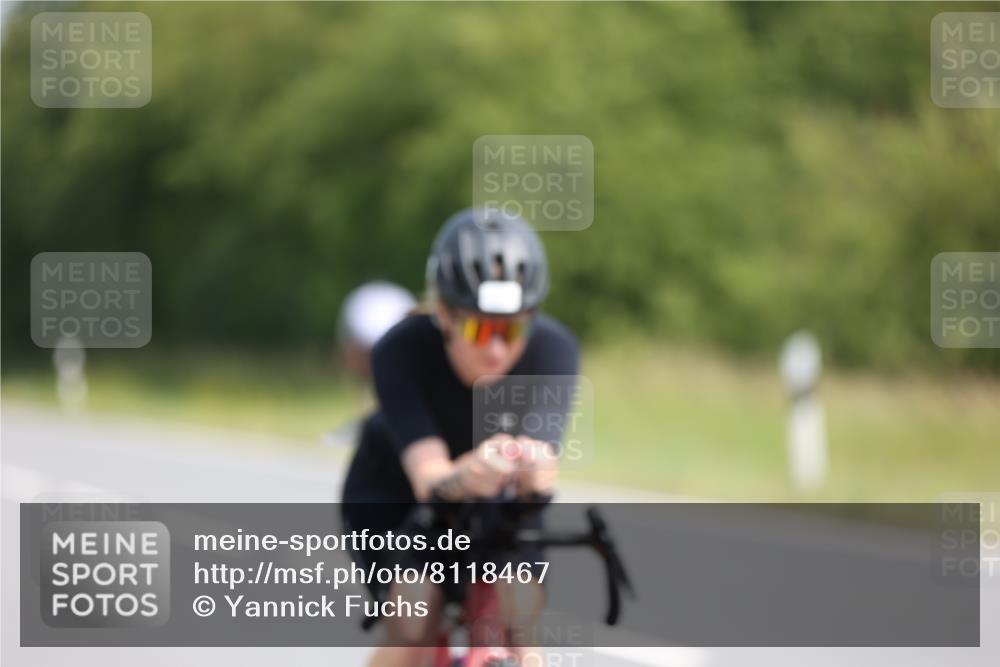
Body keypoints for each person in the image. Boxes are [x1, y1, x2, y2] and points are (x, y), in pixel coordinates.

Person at [341, 207, 579, 667]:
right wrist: (470, 471)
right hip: (397, 496)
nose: (495, 348)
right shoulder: (399, 350)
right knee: (414, 623)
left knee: (521, 627)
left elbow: (538, 483)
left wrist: (534, 475)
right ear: (445, 315)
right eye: (479, 327)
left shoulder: (554, 349)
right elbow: (429, 480)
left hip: (499, 503)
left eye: (511, 329)